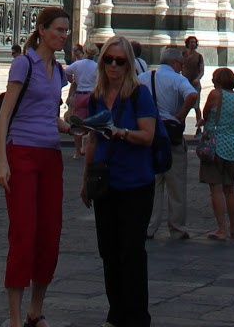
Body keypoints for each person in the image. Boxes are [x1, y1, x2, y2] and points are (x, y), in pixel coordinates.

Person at [0, 4, 70, 327]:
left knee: (49, 235)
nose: (63, 36)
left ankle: (35, 311)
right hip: (21, 153)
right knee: (23, 233)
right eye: (57, 30)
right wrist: (2, 161)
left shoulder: (62, 71)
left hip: (50, 156)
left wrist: (69, 125)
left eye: (66, 31)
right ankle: (14, 318)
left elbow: (48, 113)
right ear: (41, 30)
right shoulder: (23, 65)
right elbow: (5, 115)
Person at [81, 34, 157, 327]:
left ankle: (137, 317)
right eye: (108, 60)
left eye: (119, 61)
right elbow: (92, 139)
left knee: (131, 252)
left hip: (136, 184)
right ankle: (116, 314)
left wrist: (122, 133)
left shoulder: (139, 95)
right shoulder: (97, 96)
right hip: (106, 182)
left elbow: (148, 136)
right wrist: (85, 180)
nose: (113, 66)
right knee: (109, 252)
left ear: (128, 64)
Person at [146, 46, 198, 240]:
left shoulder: (145, 78)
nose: (181, 68)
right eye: (181, 64)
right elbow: (192, 95)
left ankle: (149, 227)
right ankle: (177, 227)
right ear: (175, 63)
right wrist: (181, 115)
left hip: (151, 134)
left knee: (154, 183)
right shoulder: (178, 79)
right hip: (171, 136)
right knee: (176, 183)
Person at [199, 66, 234, 240]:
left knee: (216, 188)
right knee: (230, 189)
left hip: (216, 145)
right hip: (233, 146)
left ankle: (221, 229)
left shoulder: (216, 94)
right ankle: (233, 228)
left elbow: (206, 112)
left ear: (217, 81)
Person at [66, 44, 99, 155]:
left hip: (80, 94)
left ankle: (77, 150)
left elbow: (66, 71)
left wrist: (73, 81)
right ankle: (87, 146)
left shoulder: (78, 64)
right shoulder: (97, 66)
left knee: (77, 123)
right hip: (92, 95)